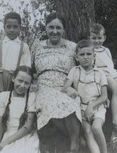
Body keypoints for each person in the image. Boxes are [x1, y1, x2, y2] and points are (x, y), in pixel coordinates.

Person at [32, 12, 81, 153]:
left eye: (58, 28)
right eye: (51, 27)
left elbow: (85, 65)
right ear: (46, 28)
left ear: (64, 29)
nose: (54, 31)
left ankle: (73, 145)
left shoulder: (73, 47)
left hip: (65, 86)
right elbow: (30, 70)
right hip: (44, 86)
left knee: (70, 104)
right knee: (47, 105)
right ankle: (48, 147)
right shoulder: (37, 46)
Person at [62, 40, 108, 153]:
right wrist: (69, 88)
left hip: (97, 107)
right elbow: (64, 87)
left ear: (94, 56)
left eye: (89, 54)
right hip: (81, 108)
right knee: (87, 131)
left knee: (96, 128)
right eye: (82, 54)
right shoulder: (75, 71)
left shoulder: (100, 73)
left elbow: (104, 96)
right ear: (77, 57)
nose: (85, 57)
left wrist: (91, 106)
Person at [0, 12, 31, 110]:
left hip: (16, 81)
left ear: (20, 28)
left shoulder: (24, 47)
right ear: (4, 27)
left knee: (14, 106)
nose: (12, 30)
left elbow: (28, 68)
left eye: (15, 27)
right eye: (8, 27)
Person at [0, 66, 39, 153]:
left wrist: (6, 142)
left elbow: (28, 127)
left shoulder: (31, 97)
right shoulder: (3, 96)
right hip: (9, 134)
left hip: (27, 137)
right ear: (13, 78)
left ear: (30, 84)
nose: (22, 85)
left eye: (26, 83)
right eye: (20, 81)